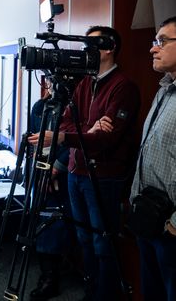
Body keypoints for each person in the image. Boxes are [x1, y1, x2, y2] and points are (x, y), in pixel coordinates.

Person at [28, 26, 141, 300]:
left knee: (103, 242)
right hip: (75, 172)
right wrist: (88, 130)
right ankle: (91, 293)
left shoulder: (123, 87)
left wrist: (68, 136)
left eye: (91, 44)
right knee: (84, 239)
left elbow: (106, 139)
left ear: (109, 47)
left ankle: (103, 296)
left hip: (103, 176)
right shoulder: (85, 83)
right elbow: (68, 120)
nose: (84, 49)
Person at [130, 16, 176, 301]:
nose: (153, 48)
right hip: (147, 215)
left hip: (171, 226)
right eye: (154, 41)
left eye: (162, 41)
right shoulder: (163, 91)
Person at [29, 78, 73, 301]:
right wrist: (41, 170)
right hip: (41, 169)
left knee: (55, 223)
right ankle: (46, 272)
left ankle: (51, 278)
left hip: (65, 172)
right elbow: (34, 139)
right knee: (41, 219)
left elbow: (73, 143)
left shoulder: (74, 107)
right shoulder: (40, 107)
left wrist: (54, 169)